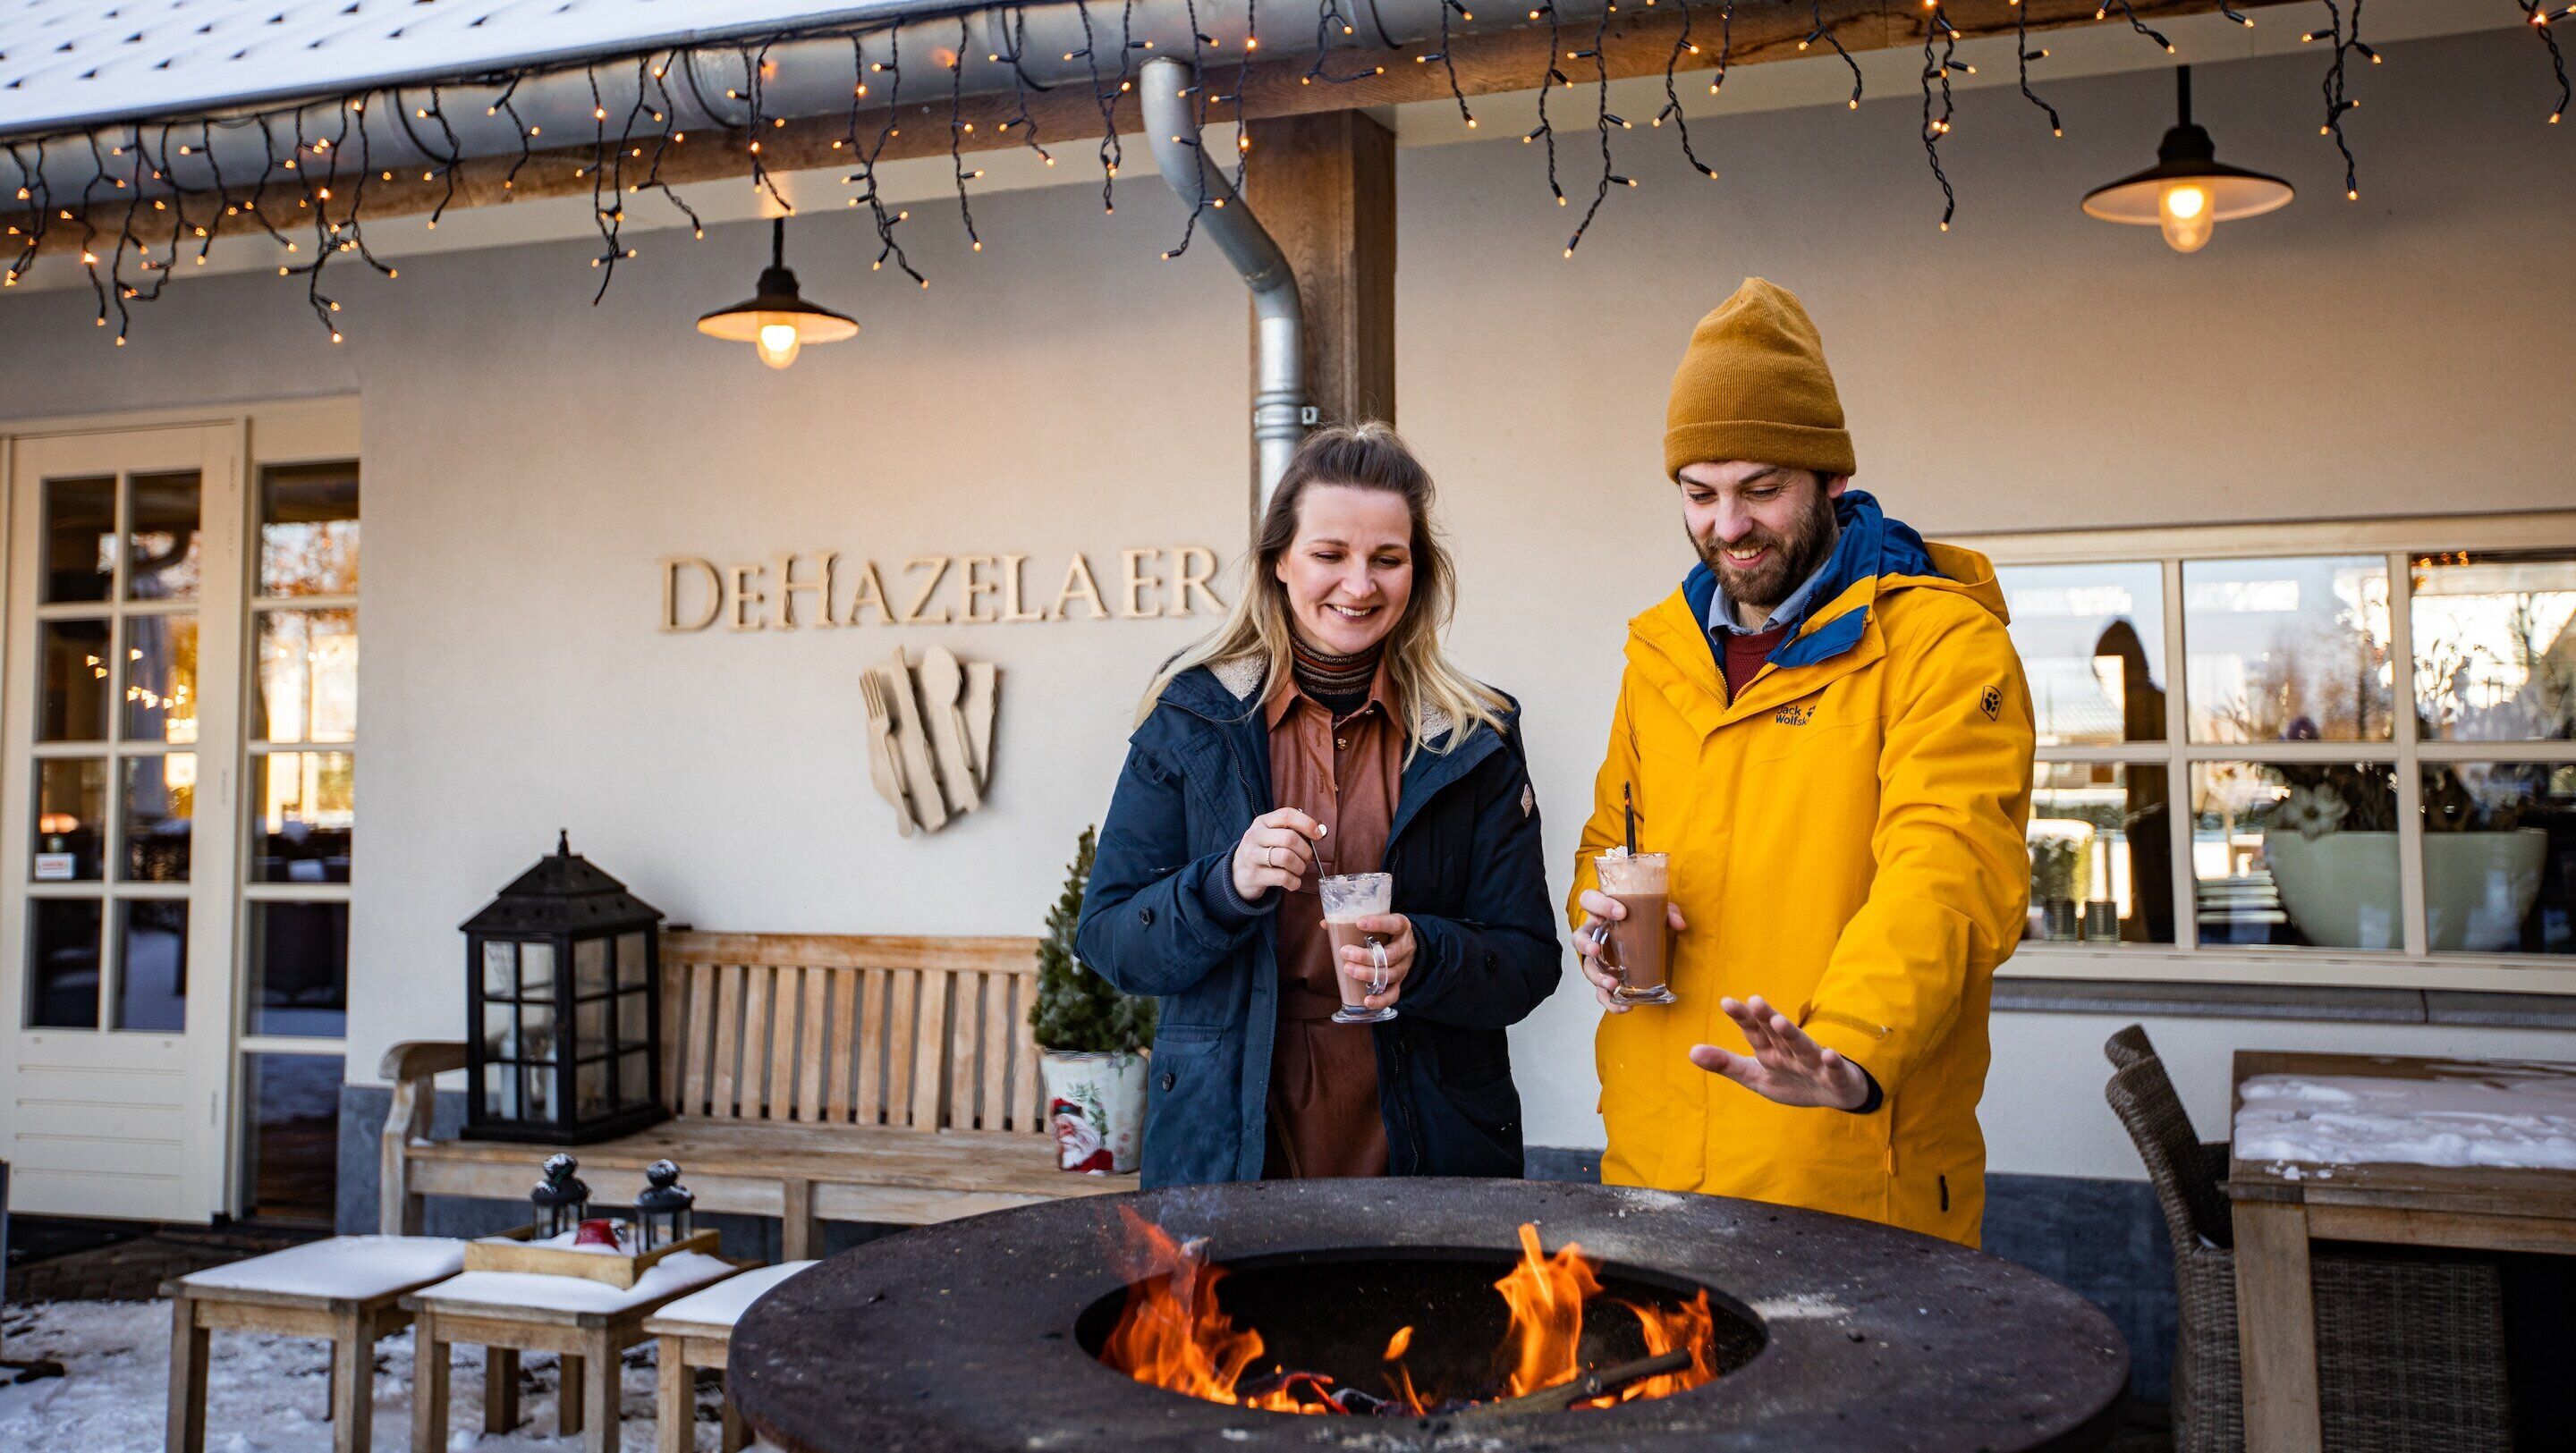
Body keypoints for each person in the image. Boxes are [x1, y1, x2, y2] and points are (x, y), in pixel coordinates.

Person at [1569, 279, 2036, 1246]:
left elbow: (1948, 873)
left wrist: (1848, 1046)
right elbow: (1614, 841)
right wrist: (1598, 927)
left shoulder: (1942, 646)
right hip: (1654, 1168)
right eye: (1699, 493)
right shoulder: (1659, 654)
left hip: (1845, 1169)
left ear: (1831, 479)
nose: (1727, 524)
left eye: (1760, 488)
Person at [1077, 422, 1562, 1188]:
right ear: (1279, 562)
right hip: (1230, 1142)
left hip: (1430, 1139)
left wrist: (1424, 954)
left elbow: (1528, 962)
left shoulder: (1477, 736)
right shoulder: (1191, 717)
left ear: (1418, 571)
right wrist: (1224, 883)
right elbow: (1108, 939)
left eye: (1388, 559)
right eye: (1330, 555)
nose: (1360, 585)